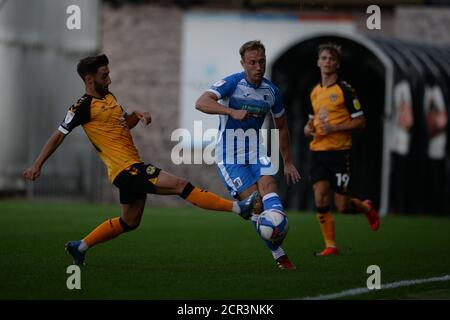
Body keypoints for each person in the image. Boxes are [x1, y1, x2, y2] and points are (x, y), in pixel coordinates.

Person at [23, 54, 258, 266]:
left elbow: (124, 123)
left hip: (128, 170)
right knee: (180, 185)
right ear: (89, 79)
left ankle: (80, 246)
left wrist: (137, 115)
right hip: (126, 170)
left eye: (109, 74)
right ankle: (239, 208)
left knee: (130, 222)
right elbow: (58, 135)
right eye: (105, 76)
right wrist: (37, 165)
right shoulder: (82, 107)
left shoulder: (110, 98)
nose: (110, 80)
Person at [195, 40, 301, 270]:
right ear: (243, 63)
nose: (258, 67)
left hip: (255, 151)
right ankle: (279, 254)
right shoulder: (232, 84)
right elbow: (201, 102)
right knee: (256, 205)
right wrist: (231, 110)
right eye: (252, 62)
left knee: (270, 184)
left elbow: (282, 127)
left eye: (261, 61)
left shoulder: (272, 92)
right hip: (229, 156)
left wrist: (289, 162)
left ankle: (278, 224)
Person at [303, 43, 380, 256]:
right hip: (318, 151)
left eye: (331, 59)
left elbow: (361, 122)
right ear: (318, 62)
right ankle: (330, 245)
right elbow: (310, 123)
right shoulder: (315, 92)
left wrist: (335, 127)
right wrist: (308, 129)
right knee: (320, 197)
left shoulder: (345, 90)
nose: (327, 61)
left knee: (343, 206)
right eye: (324, 58)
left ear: (337, 64)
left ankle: (365, 207)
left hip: (339, 152)